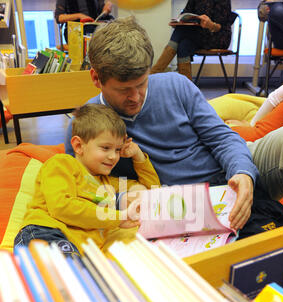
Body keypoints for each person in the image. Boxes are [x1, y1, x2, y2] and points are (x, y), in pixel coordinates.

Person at [65, 16, 259, 232]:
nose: (135, 97)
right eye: (123, 90)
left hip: (225, 176)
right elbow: (81, 189)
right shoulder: (85, 124)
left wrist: (242, 171)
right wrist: (123, 200)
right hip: (177, 207)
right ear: (96, 79)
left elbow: (222, 138)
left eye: (142, 84)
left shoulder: (177, 84)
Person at [14, 104, 160, 256]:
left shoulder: (108, 182)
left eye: (117, 150)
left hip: (82, 249)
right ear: (78, 146)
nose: (113, 156)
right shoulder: (62, 164)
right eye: (105, 148)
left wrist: (138, 156)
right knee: (65, 271)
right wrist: (119, 217)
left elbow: (152, 192)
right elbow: (62, 207)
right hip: (46, 231)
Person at [151, 0, 233, 80]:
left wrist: (211, 25)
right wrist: (178, 22)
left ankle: (153, 75)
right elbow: (186, 12)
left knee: (180, 32)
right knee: (183, 45)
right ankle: (186, 89)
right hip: (198, 35)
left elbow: (221, 26)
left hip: (218, 37)